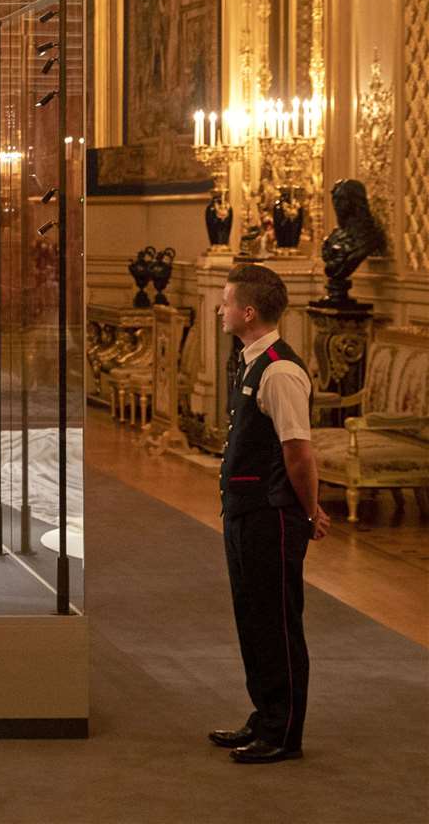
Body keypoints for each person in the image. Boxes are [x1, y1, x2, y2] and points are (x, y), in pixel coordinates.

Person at [210, 263, 329, 764]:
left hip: (272, 515)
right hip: (245, 511)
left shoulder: (279, 370)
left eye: (226, 300)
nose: (221, 307)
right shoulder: (252, 360)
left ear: (248, 311)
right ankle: (265, 717)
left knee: (277, 623)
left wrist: (312, 510)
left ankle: (283, 733)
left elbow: (298, 454)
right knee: (252, 618)